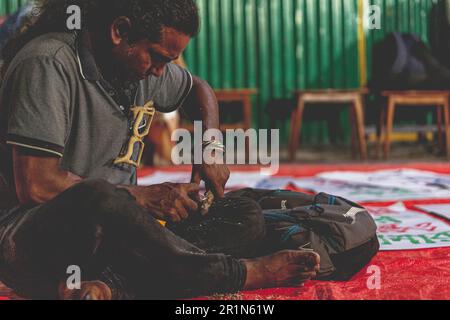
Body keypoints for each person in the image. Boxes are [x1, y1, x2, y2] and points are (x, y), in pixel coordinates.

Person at [0, 0, 320, 300]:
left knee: (244, 216)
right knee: (100, 195)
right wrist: (139, 197)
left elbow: (198, 89)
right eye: (157, 58)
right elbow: (36, 185)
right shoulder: (49, 62)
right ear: (120, 31)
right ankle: (235, 273)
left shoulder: (140, 69)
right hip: (37, 241)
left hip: (119, 233)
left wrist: (209, 147)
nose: (159, 71)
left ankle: (104, 287)